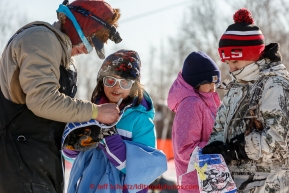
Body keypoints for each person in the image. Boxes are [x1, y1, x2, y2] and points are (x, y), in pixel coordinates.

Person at [0, 0, 122, 192]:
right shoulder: (41, 38)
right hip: (19, 159)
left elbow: (53, 114)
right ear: (79, 26)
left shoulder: (62, 55)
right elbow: (42, 100)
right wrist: (95, 112)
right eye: (90, 41)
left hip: (42, 159)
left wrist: (76, 133)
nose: (87, 50)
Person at [202, 8, 289, 192]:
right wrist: (215, 148)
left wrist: (239, 148)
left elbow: (279, 142)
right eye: (228, 64)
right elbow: (219, 127)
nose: (231, 69)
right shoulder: (236, 87)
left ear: (251, 56)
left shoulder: (274, 85)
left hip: (268, 185)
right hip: (234, 185)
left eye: (235, 62)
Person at [62, 49, 167, 193]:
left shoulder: (141, 121)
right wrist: (72, 145)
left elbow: (140, 170)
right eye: (110, 80)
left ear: (134, 86)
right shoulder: (93, 113)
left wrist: (109, 134)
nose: (116, 87)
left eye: (124, 82)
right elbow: (74, 159)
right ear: (101, 82)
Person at [167, 51, 221, 193]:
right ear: (197, 82)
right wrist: (217, 148)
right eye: (208, 82)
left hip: (209, 178)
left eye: (215, 82)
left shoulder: (206, 102)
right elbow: (185, 149)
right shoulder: (191, 104)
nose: (213, 87)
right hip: (196, 184)